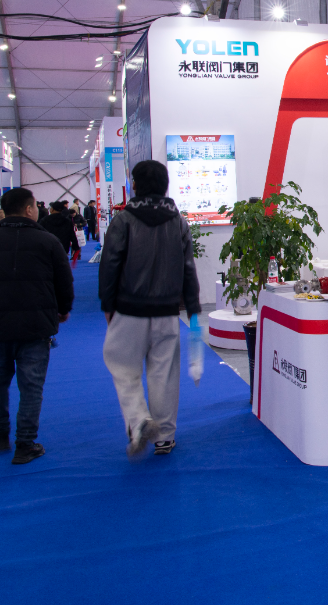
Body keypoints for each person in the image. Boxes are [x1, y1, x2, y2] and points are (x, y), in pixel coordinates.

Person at [0, 187, 74, 465]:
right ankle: (25, 443)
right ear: (30, 209)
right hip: (36, 326)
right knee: (31, 386)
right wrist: (62, 309)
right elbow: (64, 282)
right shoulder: (48, 242)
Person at [98, 159, 201, 457]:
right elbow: (188, 268)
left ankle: (139, 419)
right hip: (167, 311)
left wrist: (107, 304)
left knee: (122, 366)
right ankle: (165, 436)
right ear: (166, 186)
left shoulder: (123, 220)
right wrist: (193, 305)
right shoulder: (178, 222)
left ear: (134, 185)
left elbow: (110, 264)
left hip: (129, 309)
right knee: (164, 374)